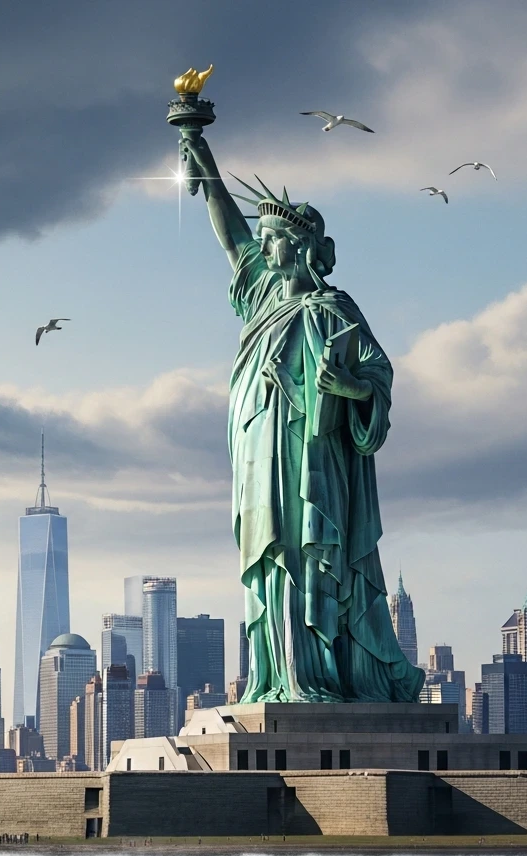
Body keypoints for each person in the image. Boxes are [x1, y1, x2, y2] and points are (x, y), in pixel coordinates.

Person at [179, 133, 424, 703]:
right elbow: (229, 235)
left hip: (312, 465)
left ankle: (312, 675)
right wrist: (200, 152)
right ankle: (279, 676)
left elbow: (379, 375)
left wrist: (350, 386)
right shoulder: (264, 299)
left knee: (307, 556)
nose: (262, 250)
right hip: (259, 460)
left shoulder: (334, 309)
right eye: (262, 241)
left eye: (271, 240)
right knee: (270, 557)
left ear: (298, 245)